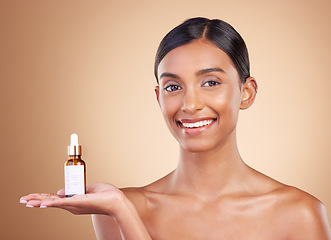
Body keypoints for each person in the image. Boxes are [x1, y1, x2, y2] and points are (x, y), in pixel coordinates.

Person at [20, 17, 331, 240]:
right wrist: (121, 210)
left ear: (246, 92)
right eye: (173, 87)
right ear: (158, 97)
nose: (190, 104)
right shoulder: (118, 208)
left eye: (210, 82)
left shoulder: (300, 213)